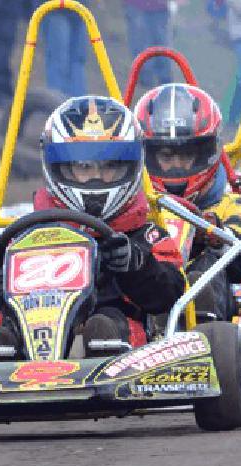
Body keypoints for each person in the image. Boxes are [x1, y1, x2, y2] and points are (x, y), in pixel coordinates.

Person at [29, 96, 187, 349]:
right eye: (84, 166)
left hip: (122, 342)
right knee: (8, 325)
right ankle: (2, 354)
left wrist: (136, 265)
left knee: (105, 324)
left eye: (110, 166)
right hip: (37, 328)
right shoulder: (32, 233)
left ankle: (100, 351)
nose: (96, 178)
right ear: (59, 165)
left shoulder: (144, 234)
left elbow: (171, 292)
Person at [134, 83, 241, 321]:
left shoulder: (228, 204)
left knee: (205, 268)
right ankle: (116, 336)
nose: (176, 166)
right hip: (149, 301)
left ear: (206, 153)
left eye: (186, 155)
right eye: (166, 156)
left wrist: (218, 235)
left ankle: (203, 329)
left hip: (214, 325)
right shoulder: (137, 209)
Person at [40, 0, 88, 98]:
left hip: (79, 10)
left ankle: (79, 105)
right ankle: (59, 104)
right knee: (59, 61)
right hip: (55, 9)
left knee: (77, 61)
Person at [124, 0, 174, 89]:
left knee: (160, 41)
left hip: (159, 7)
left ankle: (163, 82)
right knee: (141, 42)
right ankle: (147, 80)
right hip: (138, 7)